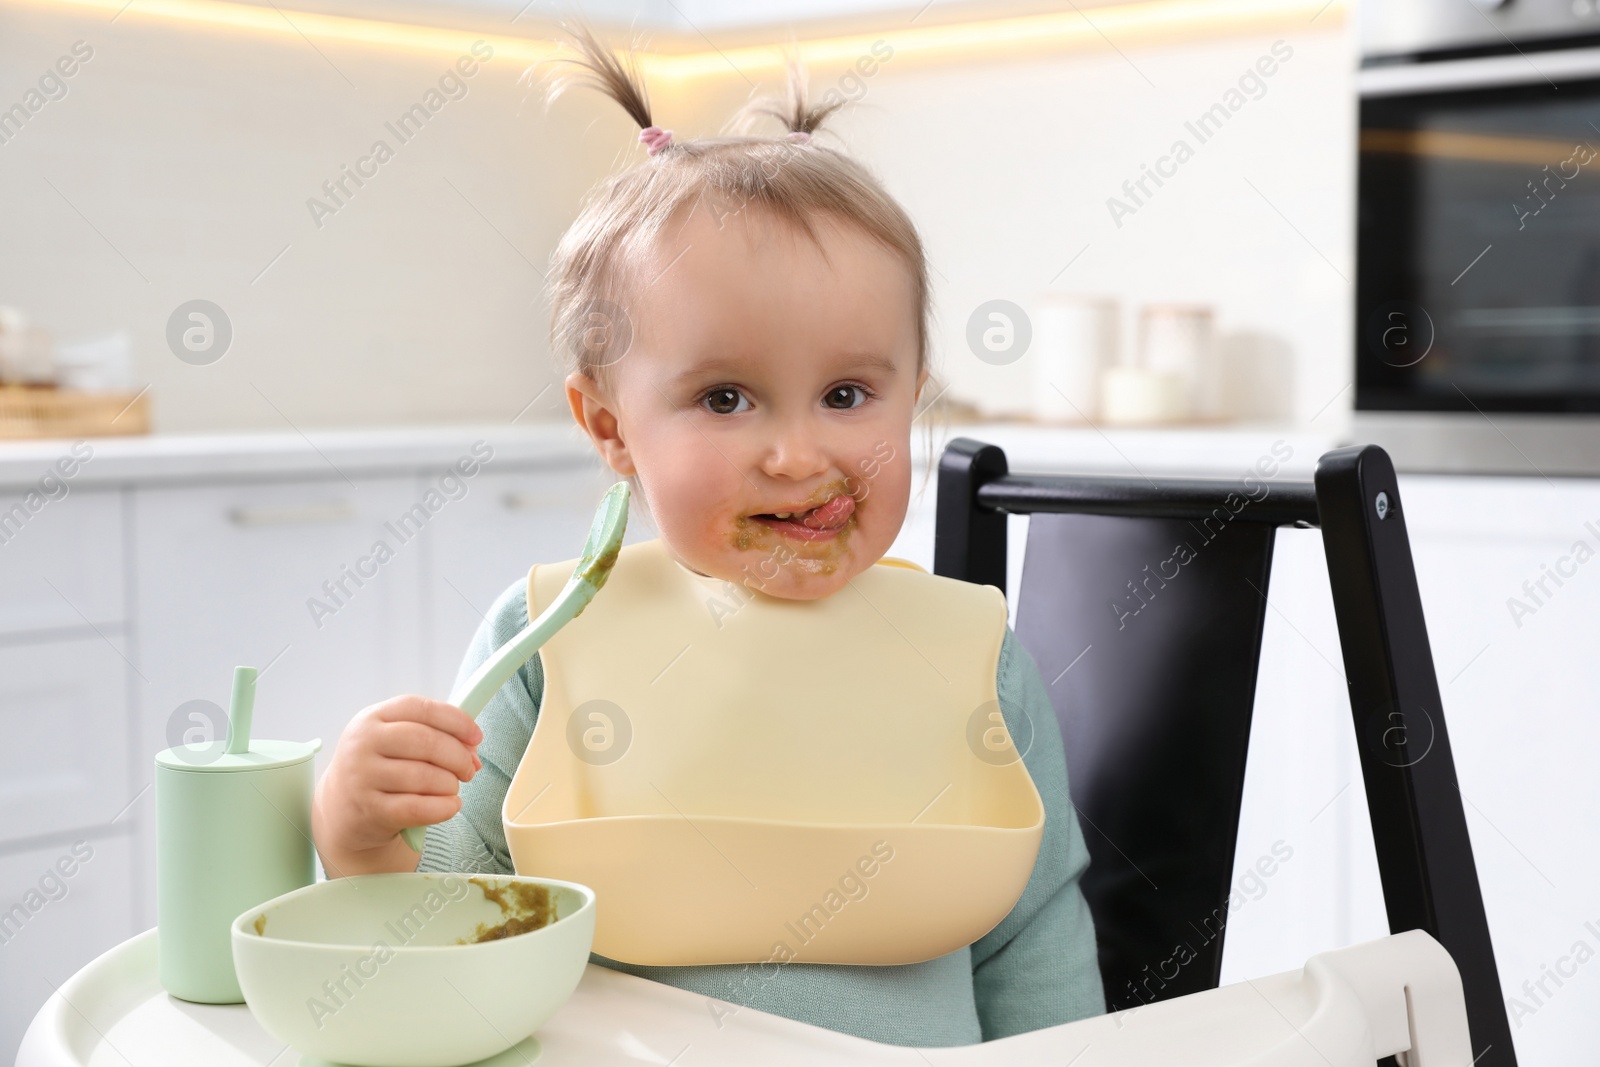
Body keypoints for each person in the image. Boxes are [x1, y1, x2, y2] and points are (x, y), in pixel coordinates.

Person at [311, 23, 1104, 1047]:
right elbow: (456, 920)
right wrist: (360, 832)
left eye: (848, 392)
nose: (795, 450)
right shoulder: (546, 642)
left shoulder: (977, 661)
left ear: (915, 394)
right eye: (726, 397)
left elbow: (1035, 944)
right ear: (609, 426)